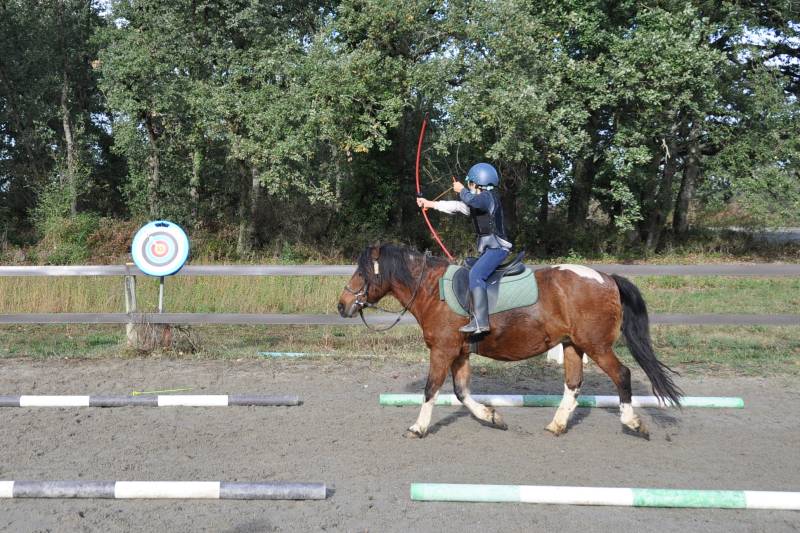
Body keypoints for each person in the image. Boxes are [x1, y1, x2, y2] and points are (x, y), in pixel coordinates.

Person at [416, 162, 512, 334]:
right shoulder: (479, 203)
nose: (468, 186)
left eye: (470, 183)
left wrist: (461, 190)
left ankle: (481, 321)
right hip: (490, 249)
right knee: (468, 267)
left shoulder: (487, 198)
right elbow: (457, 206)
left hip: (497, 249)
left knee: (476, 274)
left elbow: (470, 199)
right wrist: (429, 204)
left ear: (477, 184)